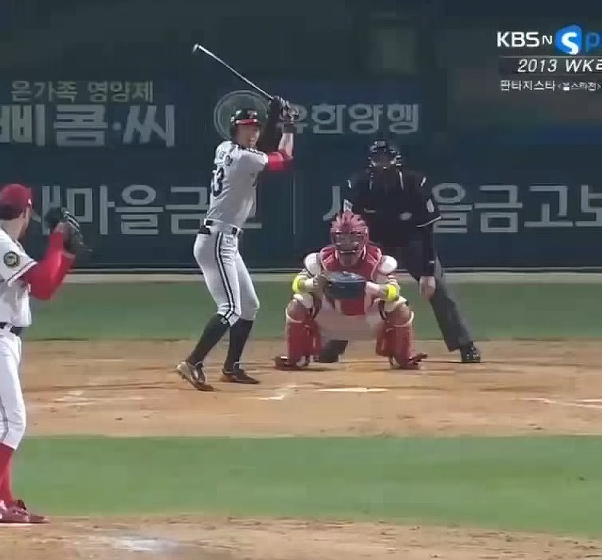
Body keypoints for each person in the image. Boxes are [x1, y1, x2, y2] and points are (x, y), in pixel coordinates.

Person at [0, 183, 86, 524]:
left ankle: (2, 500)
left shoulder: (6, 244)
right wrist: (56, 240)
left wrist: (65, 255)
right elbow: (41, 285)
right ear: (26, 213)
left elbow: (46, 286)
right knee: (12, 421)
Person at [319, 138, 482, 364]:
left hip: (412, 241)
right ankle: (334, 344)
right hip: (372, 244)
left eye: (386, 159)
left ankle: (465, 345)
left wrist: (428, 272)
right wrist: (352, 262)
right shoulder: (357, 185)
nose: (382, 164)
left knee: (439, 288)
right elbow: (347, 227)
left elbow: (427, 230)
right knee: (350, 287)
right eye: (377, 159)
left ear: (397, 161)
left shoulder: (416, 184)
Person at [176, 96, 297, 391]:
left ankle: (231, 366)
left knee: (249, 306)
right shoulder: (244, 158)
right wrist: (288, 127)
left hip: (223, 239)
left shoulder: (225, 149)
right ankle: (192, 362)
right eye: (246, 127)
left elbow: (261, 150)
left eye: (255, 127)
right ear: (235, 130)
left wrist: (273, 118)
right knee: (230, 309)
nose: (252, 132)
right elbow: (283, 159)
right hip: (217, 240)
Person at [274, 211, 427, 370]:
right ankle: (296, 357)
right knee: (299, 303)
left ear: (363, 238)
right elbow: (297, 284)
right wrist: (312, 283)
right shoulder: (321, 260)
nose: (347, 243)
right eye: (342, 238)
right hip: (331, 318)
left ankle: (401, 356)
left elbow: (394, 291)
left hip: (368, 320)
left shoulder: (378, 261)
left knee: (399, 307)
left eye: (352, 238)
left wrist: (370, 288)